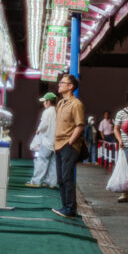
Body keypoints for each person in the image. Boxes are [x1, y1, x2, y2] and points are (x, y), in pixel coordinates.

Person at [52, 74, 85, 218]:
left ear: (70, 86)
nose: (59, 84)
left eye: (62, 83)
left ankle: (70, 209)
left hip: (68, 145)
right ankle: (66, 206)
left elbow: (80, 126)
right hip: (58, 144)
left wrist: (70, 142)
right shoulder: (60, 103)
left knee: (67, 177)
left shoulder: (76, 104)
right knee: (60, 178)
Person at [25, 92, 58, 189]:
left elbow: (44, 125)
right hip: (55, 142)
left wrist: (38, 129)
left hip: (46, 141)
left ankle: (35, 181)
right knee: (53, 162)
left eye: (44, 101)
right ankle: (51, 182)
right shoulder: (57, 111)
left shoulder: (47, 112)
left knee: (42, 161)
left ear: (48, 102)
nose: (43, 103)